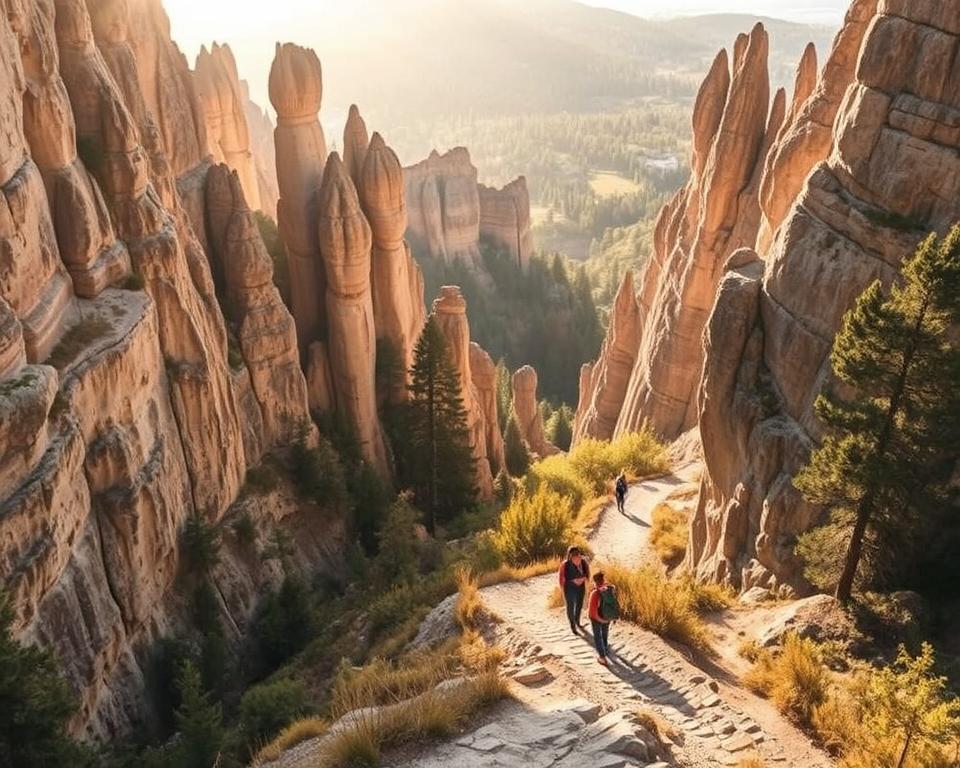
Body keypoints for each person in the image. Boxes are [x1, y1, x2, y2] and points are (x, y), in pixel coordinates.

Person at [557, 545, 590, 634]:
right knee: (570, 607)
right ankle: (573, 626)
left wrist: (583, 579)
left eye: (578, 553)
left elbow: (587, 574)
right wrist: (571, 582)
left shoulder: (583, 562)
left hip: (581, 587)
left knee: (579, 605)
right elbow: (561, 578)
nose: (577, 555)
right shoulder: (565, 564)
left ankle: (577, 622)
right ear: (570, 555)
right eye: (575, 554)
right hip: (569, 588)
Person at [588, 571, 617, 665]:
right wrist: (607, 620)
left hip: (597, 619)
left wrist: (599, 620)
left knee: (597, 637)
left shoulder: (595, 594)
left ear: (594, 581)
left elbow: (592, 613)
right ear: (604, 580)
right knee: (605, 633)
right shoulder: (610, 590)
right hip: (607, 617)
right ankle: (605, 648)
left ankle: (602, 657)